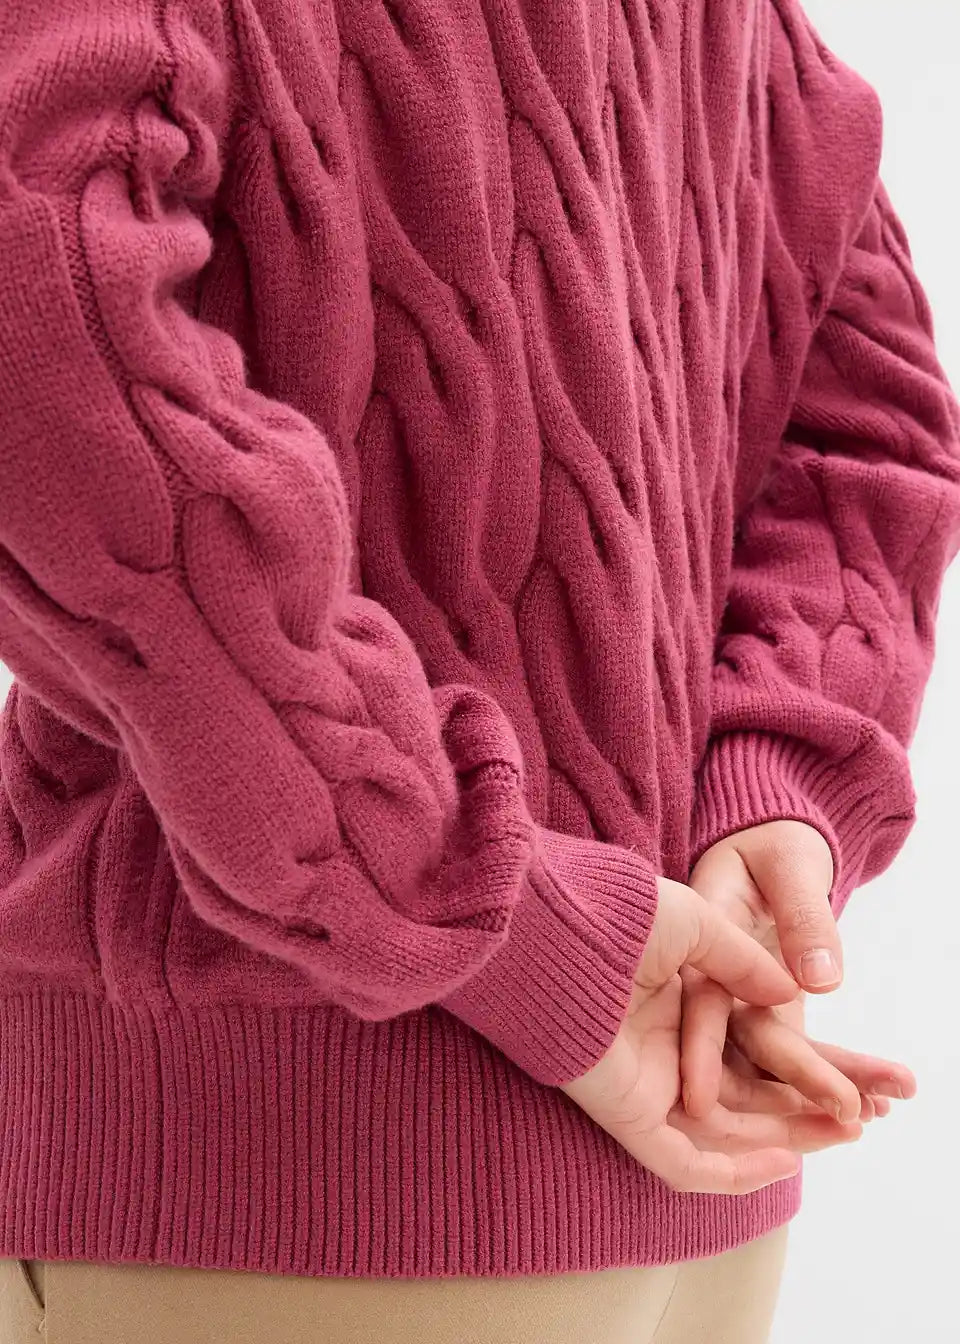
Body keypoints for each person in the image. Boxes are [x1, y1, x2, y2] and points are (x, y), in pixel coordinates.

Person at [0, 0, 956, 1340]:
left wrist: (492, 884)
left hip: (298, 1167)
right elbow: (866, 395)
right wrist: (767, 786)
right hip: (666, 1115)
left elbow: (41, 312)